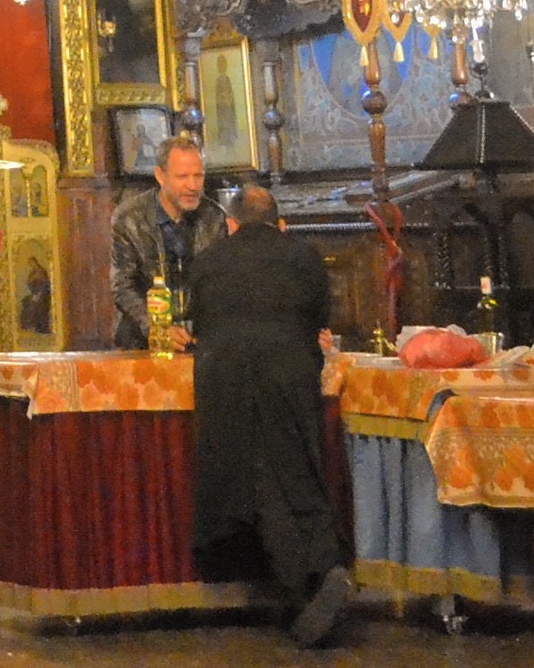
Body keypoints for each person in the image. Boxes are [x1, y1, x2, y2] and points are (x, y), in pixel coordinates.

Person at [186, 184, 353, 650]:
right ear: (281, 224)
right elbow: (319, 320)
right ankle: (318, 576)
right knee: (296, 471)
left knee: (250, 482)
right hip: (289, 373)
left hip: (223, 381)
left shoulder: (207, 261)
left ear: (232, 225)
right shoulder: (303, 257)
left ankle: (303, 589)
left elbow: (198, 321)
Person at [109, 134, 234, 349]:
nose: (193, 186)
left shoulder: (214, 217)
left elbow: (222, 283)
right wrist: (155, 327)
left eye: (198, 176)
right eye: (183, 177)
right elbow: (123, 285)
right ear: (160, 176)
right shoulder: (129, 218)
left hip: (199, 339)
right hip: (141, 339)